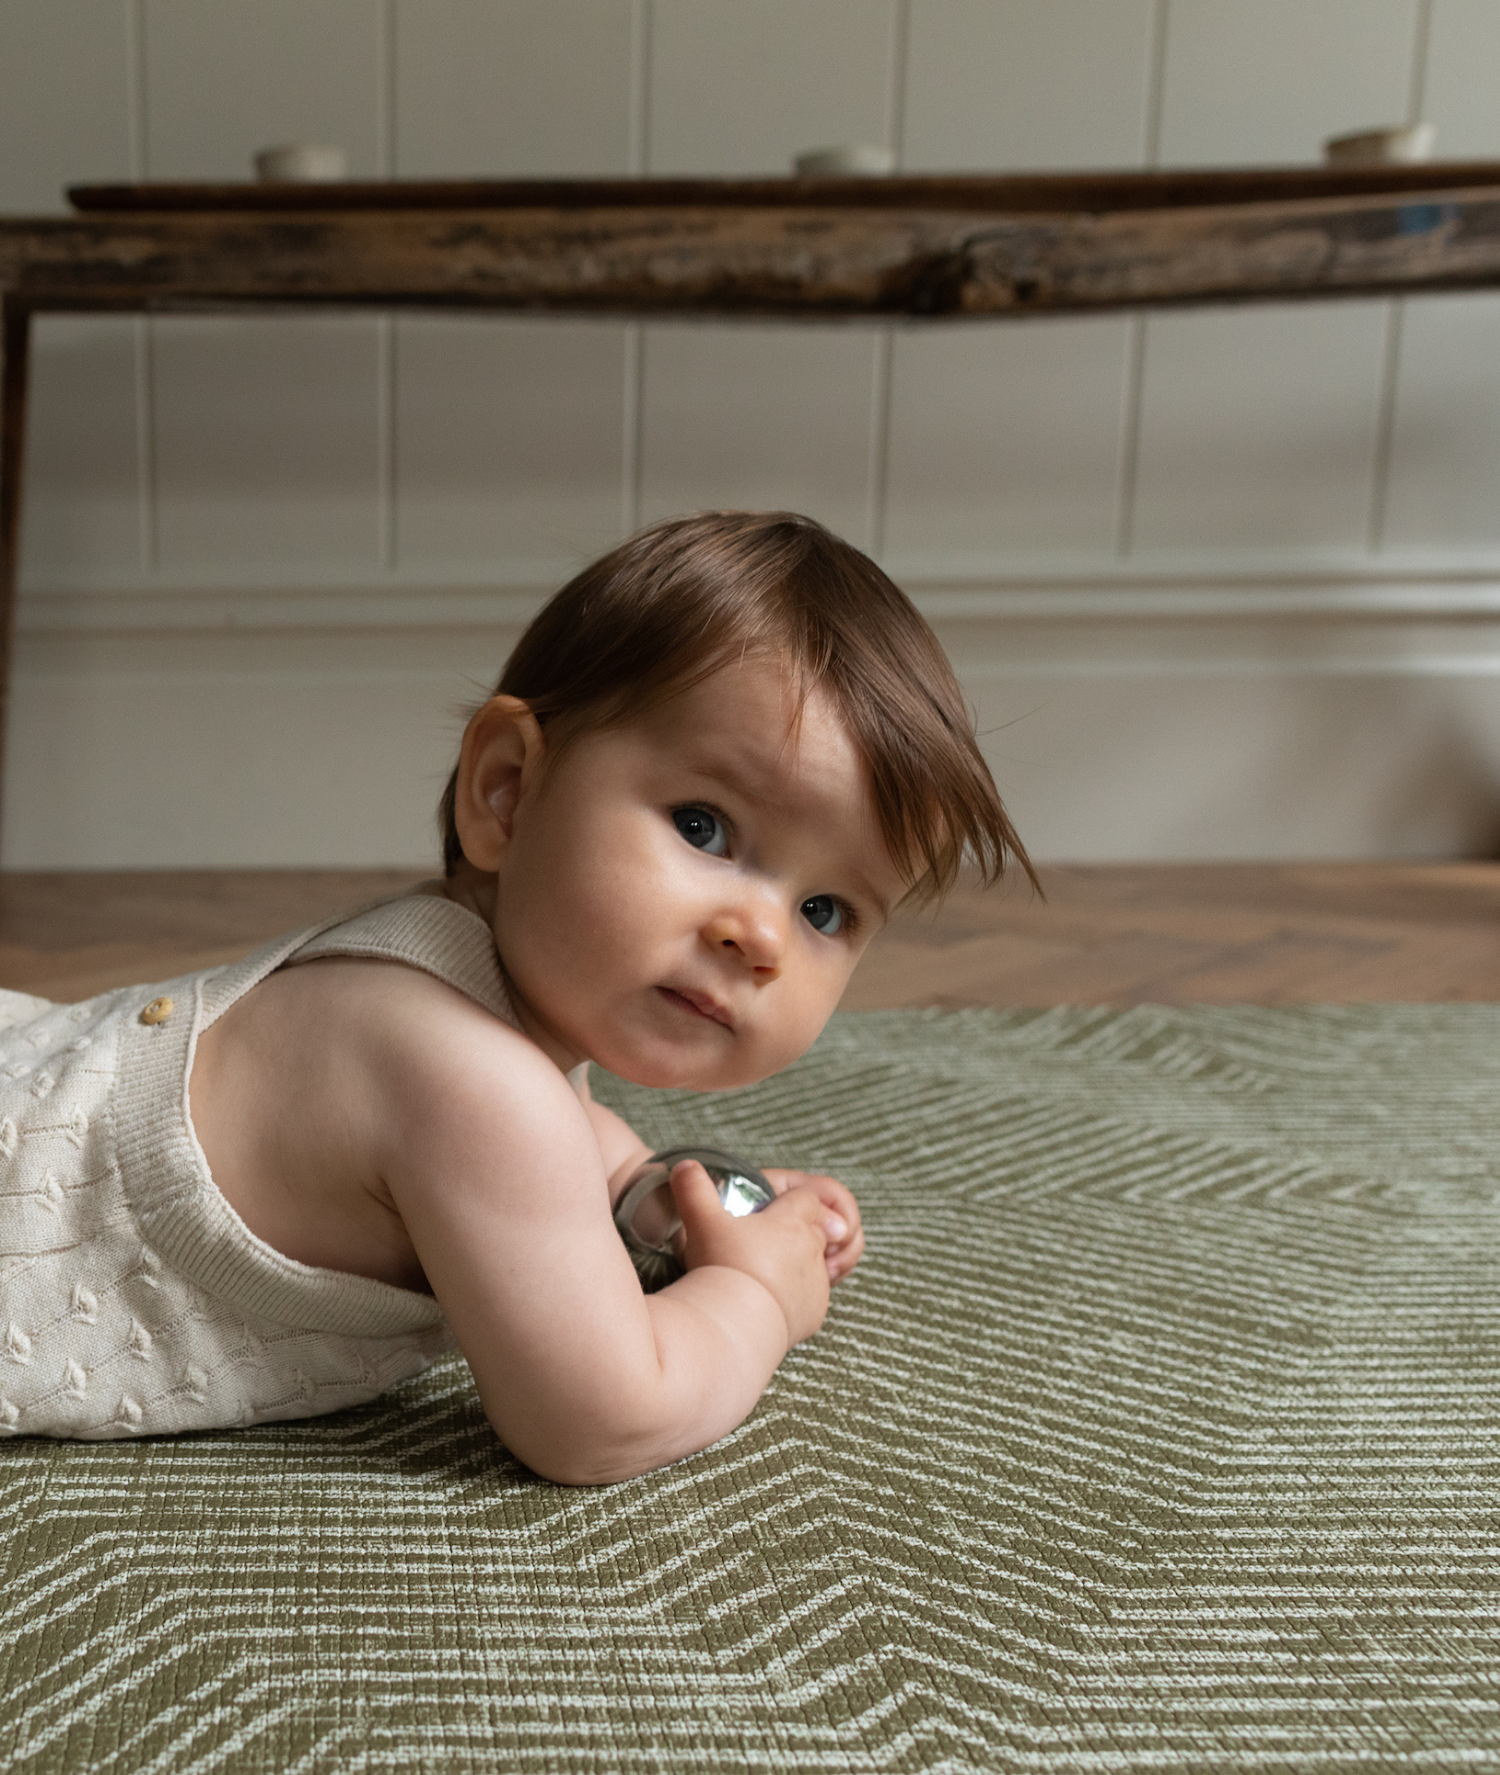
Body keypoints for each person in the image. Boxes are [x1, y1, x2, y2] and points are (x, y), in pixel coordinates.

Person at [0, 512, 1032, 1481]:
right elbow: (601, 1414)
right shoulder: (469, 1082)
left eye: (824, 909)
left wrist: (657, 1192)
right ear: (505, 789)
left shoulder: (460, 988)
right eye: (705, 827)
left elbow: (555, 1142)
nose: (758, 936)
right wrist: (753, 1294)